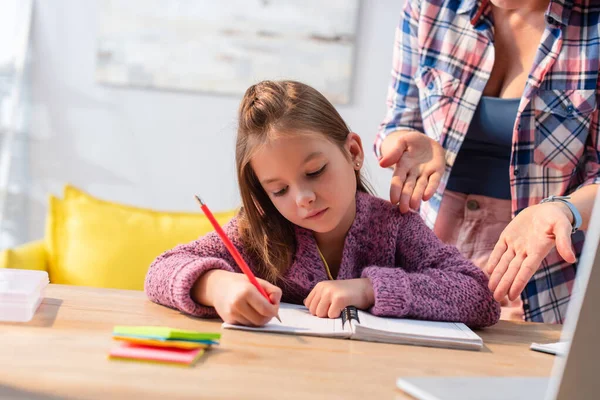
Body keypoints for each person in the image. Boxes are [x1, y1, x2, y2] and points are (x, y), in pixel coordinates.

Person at [144, 80, 500, 328]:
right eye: (279, 190)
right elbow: (160, 271)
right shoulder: (258, 232)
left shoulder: (396, 225)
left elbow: (478, 296)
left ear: (354, 153)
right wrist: (216, 286)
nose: (303, 198)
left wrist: (368, 289)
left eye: (315, 171)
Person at [375, 0, 599, 323]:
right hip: (428, 261)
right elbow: (397, 122)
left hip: (535, 272)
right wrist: (403, 143)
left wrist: (564, 209)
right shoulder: (430, 8)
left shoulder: (591, 26)